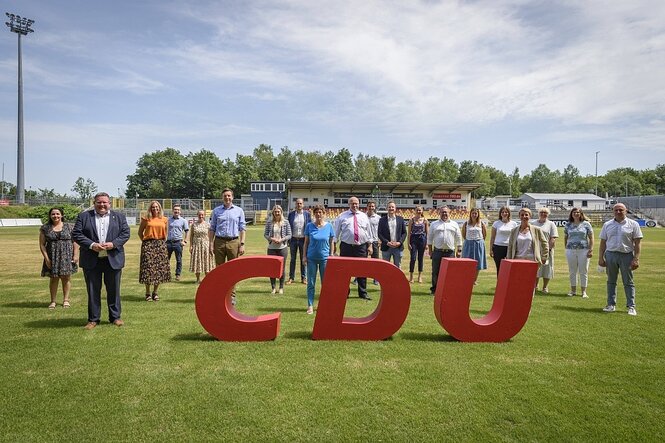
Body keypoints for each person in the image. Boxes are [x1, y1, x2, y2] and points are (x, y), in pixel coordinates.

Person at [72, 192, 130, 329]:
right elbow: (76, 234)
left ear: (109, 203)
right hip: (92, 259)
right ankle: (93, 319)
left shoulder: (119, 217)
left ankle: (115, 317)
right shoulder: (84, 216)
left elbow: (125, 234)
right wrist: (92, 245)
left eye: (105, 202)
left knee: (114, 290)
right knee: (93, 290)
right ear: (94, 203)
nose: (102, 205)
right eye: (99, 202)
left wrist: (114, 244)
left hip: (113, 259)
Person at [599, 203, 643, 315]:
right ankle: (611, 304)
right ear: (613, 211)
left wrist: (636, 258)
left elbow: (637, 243)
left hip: (626, 255)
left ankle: (631, 306)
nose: (618, 212)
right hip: (610, 255)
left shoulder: (633, 224)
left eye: (621, 210)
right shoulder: (607, 225)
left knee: (628, 282)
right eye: (616, 210)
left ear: (626, 211)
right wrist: (601, 258)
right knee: (611, 281)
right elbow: (603, 242)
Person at [208, 188, 246, 305]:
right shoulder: (216, 211)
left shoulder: (239, 211)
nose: (227, 198)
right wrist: (210, 243)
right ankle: (220, 294)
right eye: (225, 196)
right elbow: (212, 228)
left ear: (232, 197)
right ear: (222, 197)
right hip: (219, 242)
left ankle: (232, 296)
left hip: (234, 242)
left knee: (233, 271)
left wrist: (242, 244)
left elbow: (242, 228)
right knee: (219, 270)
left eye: (229, 196)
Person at [39, 207, 79, 309]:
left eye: (57, 214)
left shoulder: (70, 227)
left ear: (62, 215)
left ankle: (66, 300)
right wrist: (47, 259)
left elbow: (75, 241)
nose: (55, 216)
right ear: (50, 215)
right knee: (53, 278)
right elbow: (42, 244)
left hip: (67, 255)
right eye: (53, 214)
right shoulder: (45, 228)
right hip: (52, 256)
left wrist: (75, 255)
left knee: (66, 278)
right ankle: (53, 301)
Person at [335, 196, 373, 300]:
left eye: (356, 203)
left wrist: (370, 245)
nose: (354, 205)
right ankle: (345, 292)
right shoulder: (342, 216)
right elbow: (336, 233)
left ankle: (363, 293)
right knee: (344, 271)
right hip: (346, 246)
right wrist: (334, 246)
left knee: (362, 270)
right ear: (349, 204)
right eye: (352, 203)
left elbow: (368, 232)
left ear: (359, 204)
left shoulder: (364, 216)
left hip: (361, 247)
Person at [303, 205, 336, 314]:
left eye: (320, 212)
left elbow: (331, 242)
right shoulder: (309, 226)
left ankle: (325, 305)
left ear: (324, 213)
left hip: (325, 259)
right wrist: (304, 256)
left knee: (325, 284)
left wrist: (331, 254)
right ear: (314, 214)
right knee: (311, 283)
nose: (318, 214)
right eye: (316, 212)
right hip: (311, 258)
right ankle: (310, 305)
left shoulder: (329, 226)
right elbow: (306, 243)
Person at [138, 201, 171, 301]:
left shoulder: (164, 219)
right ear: (150, 208)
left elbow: (166, 233)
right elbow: (140, 233)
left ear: (160, 208)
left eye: (157, 207)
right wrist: (145, 242)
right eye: (153, 207)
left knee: (159, 269)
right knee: (148, 269)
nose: (155, 209)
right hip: (148, 244)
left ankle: (155, 292)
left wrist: (162, 243)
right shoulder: (146, 218)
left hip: (160, 244)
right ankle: (147, 292)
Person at [507, 208, 549, 285]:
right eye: (522, 215)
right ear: (519, 216)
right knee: (518, 282)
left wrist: (544, 257)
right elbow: (510, 246)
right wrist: (509, 259)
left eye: (526, 214)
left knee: (530, 283)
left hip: (532, 260)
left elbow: (545, 243)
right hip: (517, 259)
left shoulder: (536, 229)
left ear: (530, 216)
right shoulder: (514, 230)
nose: (524, 216)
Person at [427, 206, 462, 295]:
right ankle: (434, 290)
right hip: (437, 251)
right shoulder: (434, 224)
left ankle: (448, 289)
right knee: (436, 271)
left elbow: (458, 237)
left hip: (450, 252)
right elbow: (430, 238)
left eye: (446, 212)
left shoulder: (454, 224)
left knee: (450, 272)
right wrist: (430, 251)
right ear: (439, 213)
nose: (444, 214)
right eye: (442, 212)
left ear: (449, 213)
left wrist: (459, 250)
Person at [564, 207, 594, 298]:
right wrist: (566, 247)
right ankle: (573, 291)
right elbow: (565, 237)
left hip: (583, 250)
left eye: (578, 212)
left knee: (583, 271)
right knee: (572, 271)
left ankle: (583, 292)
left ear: (581, 214)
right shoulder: (568, 224)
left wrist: (591, 249)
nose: (576, 214)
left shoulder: (586, 224)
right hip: (570, 250)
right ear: (571, 214)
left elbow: (591, 238)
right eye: (574, 212)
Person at [264, 205, 292, 294]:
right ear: (273, 213)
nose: (277, 213)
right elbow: (265, 234)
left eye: (278, 212)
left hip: (282, 248)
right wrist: (271, 239)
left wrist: (282, 240)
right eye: (275, 212)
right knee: (272, 268)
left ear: (281, 212)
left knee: (282, 268)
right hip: (272, 248)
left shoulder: (286, 222)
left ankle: (281, 287)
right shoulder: (269, 222)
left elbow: (289, 234)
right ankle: (273, 287)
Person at [530, 207, 559, 293]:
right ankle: (535, 286)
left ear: (548, 214)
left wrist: (549, 249)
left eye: (545, 213)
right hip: (535, 249)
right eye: (541, 212)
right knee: (536, 268)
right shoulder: (533, 223)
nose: (543, 214)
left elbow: (553, 237)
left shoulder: (551, 224)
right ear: (538, 213)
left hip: (547, 250)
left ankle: (545, 287)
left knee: (547, 268)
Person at [287, 198, 310, 285]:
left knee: (303, 259)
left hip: (303, 240)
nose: (299, 205)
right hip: (293, 239)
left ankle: (304, 278)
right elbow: (288, 227)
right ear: (295, 205)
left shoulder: (307, 214)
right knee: (292, 259)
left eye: (300, 203)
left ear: (303, 205)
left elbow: (309, 227)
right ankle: (291, 278)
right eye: (297, 203)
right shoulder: (291, 214)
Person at [378, 200, 407, 269]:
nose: (391, 208)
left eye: (392, 207)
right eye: (389, 207)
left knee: (397, 267)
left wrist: (399, 242)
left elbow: (404, 233)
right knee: (385, 267)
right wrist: (387, 242)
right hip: (386, 247)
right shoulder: (382, 220)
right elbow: (379, 233)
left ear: (395, 208)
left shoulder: (400, 219)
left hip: (398, 247)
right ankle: (385, 280)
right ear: (386, 208)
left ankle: (397, 280)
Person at [461, 208, 487, 285]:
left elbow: (484, 234)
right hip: (468, 244)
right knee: (467, 262)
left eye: (476, 213)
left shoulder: (481, 223)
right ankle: (468, 278)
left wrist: (479, 241)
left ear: (478, 214)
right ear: (470, 214)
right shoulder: (466, 223)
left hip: (478, 244)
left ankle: (474, 280)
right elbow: (463, 234)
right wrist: (469, 240)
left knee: (478, 263)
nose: (474, 215)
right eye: (473, 213)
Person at [489, 206, 518, 275]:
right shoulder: (496, 223)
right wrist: (491, 249)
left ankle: (509, 284)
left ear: (509, 213)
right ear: (500, 213)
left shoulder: (514, 224)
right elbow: (492, 237)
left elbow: (516, 237)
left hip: (509, 248)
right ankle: (500, 284)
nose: (504, 213)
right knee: (499, 267)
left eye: (506, 212)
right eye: (503, 212)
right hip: (498, 247)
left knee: (510, 266)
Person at [189, 209, 214, 284]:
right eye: (199, 215)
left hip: (205, 244)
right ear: (197, 215)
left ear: (205, 215)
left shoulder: (208, 225)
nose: (201, 216)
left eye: (202, 215)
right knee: (197, 261)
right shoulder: (194, 225)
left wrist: (211, 245)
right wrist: (191, 246)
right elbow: (191, 236)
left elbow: (210, 236)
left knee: (207, 261)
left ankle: (207, 279)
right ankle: (197, 279)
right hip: (196, 245)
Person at [166, 205, 188, 281]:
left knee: (178, 260)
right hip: (168, 242)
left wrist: (185, 241)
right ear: (172, 211)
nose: (176, 211)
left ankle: (177, 275)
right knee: (166, 259)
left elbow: (186, 231)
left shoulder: (183, 220)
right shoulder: (168, 220)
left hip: (178, 243)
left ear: (180, 211)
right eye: (175, 209)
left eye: (178, 210)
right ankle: (166, 274)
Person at [408, 206, 429, 283]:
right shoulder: (411, 220)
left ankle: (420, 276)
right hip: (413, 240)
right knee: (413, 258)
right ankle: (411, 276)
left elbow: (427, 233)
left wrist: (427, 244)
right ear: (415, 211)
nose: (419, 211)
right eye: (417, 210)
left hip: (422, 240)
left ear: (422, 211)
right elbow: (409, 233)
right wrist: (408, 243)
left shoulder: (425, 220)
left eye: (420, 210)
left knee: (420, 258)